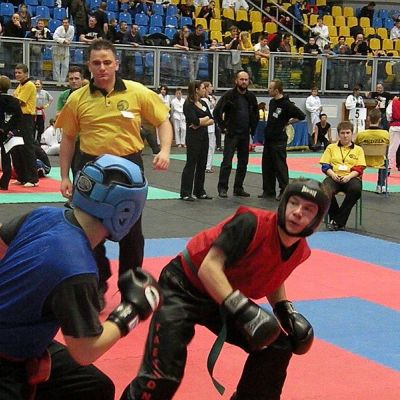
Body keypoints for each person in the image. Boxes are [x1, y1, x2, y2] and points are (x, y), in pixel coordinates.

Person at [121, 177, 329, 400]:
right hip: (183, 286)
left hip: (221, 295)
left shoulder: (300, 251)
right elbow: (209, 268)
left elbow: (273, 272)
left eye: (308, 209)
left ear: (316, 221)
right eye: (294, 203)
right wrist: (242, 309)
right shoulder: (250, 223)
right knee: (163, 376)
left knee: (275, 347)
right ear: (284, 203)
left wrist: (285, 310)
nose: (297, 212)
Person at [0, 154, 162, 400]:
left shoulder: (42, 215)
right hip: (8, 361)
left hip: (23, 344)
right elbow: (85, 351)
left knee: (93, 386)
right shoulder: (77, 268)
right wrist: (132, 310)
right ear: (126, 211)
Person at [55, 39, 172, 308]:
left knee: (132, 234)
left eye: (107, 62)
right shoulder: (77, 98)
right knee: (87, 234)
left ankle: (131, 289)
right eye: (96, 63)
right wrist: (63, 177)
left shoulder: (137, 91)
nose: (102, 67)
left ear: (116, 64)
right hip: (90, 168)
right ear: (89, 66)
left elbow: (163, 121)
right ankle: (97, 284)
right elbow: (68, 138)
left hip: (128, 168)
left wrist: (165, 150)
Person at [214, 70, 258, 198]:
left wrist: (253, 129)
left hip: (245, 134)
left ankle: (238, 188)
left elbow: (255, 114)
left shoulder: (251, 97)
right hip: (232, 133)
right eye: (241, 79)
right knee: (227, 162)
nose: (244, 82)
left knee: (243, 163)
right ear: (236, 81)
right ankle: (223, 188)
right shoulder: (229, 95)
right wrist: (223, 127)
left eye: (246, 80)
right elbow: (217, 112)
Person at [259, 79, 306, 201]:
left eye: (270, 88)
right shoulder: (272, 102)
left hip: (279, 140)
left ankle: (284, 191)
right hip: (269, 138)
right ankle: (268, 190)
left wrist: (288, 122)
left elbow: (301, 116)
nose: (268, 90)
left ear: (276, 90)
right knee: (267, 166)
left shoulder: (286, 104)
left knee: (280, 167)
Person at [320, 121, 366, 231]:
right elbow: (325, 166)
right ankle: (338, 220)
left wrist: (348, 177)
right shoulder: (331, 147)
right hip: (333, 176)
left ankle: (336, 221)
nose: (345, 136)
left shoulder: (358, 149)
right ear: (338, 134)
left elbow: (359, 168)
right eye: (342, 133)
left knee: (356, 190)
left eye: (347, 133)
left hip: (351, 177)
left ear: (352, 134)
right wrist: (333, 175)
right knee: (324, 190)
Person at [180, 80, 213, 201]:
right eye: (203, 88)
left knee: (202, 163)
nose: (205, 90)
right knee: (191, 163)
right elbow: (194, 120)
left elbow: (211, 119)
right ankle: (185, 192)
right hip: (193, 137)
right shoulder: (188, 104)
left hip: (204, 136)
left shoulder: (203, 102)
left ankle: (199, 191)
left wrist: (200, 123)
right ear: (196, 90)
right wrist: (201, 121)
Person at [12, 63, 39, 187]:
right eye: (16, 72)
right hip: (18, 118)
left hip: (26, 118)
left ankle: (33, 178)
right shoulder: (20, 85)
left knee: (27, 147)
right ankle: (22, 176)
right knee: (17, 148)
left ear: (26, 74)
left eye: (20, 72)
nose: (17, 74)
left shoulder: (29, 85)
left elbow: (19, 102)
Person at [355, 108, 390, 194]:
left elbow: (356, 147)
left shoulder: (361, 134)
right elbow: (387, 147)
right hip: (380, 162)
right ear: (380, 119)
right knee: (386, 160)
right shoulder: (386, 134)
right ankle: (381, 186)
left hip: (363, 162)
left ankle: (357, 185)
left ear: (368, 118)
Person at [0, 75, 23, 191]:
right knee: (6, 157)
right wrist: (11, 130)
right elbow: (19, 118)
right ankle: (4, 183)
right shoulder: (15, 101)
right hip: (9, 133)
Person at [53, 17, 75, 86]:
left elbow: (70, 38)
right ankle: (58, 81)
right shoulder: (59, 28)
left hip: (66, 48)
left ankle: (63, 81)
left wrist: (65, 40)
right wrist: (63, 40)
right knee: (57, 64)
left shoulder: (72, 28)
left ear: (69, 23)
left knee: (65, 65)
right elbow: (55, 37)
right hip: (57, 47)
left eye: (66, 22)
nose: (65, 24)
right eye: (64, 23)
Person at [203, 81, 217, 173]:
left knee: (212, 146)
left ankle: (208, 165)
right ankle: (207, 166)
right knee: (208, 147)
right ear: (206, 88)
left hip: (212, 125)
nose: (212, 88)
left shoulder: (211, 98)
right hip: (206, 125)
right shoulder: (203, 100)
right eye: (210, 86)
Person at [386, 95, 400, 172]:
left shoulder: (393, 103)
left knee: (392, 148)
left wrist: (392, 119)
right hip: (396, 126)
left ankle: (389, 166)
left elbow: (389, 114)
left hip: (395, 126)